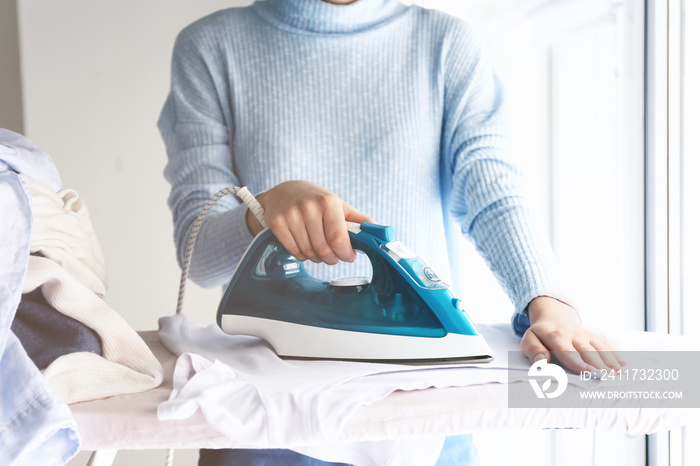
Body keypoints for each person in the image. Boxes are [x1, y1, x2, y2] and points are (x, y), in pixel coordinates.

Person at [159, 0, 622, 464]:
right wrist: (265, 210)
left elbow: (494, 195)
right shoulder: (210, 47)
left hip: (427, 413)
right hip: (265, 419)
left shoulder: (445, 44)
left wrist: (547, 304)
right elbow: (199, 259)